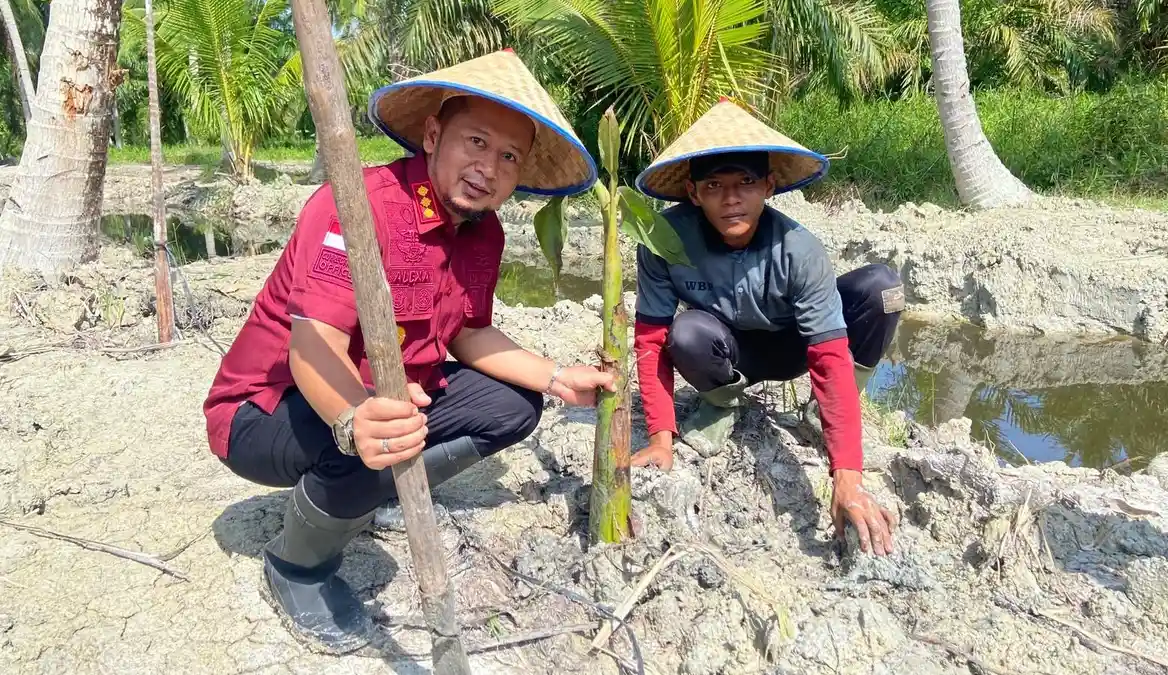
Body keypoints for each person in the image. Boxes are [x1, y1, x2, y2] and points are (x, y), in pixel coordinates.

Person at [202, 50, 612, 654]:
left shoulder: (484, 231)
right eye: (475, 142)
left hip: (388, 398)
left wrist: (555, 378)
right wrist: (356, 416)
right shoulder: (361, 205)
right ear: (432, 134)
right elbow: (313, 343)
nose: (488, 168)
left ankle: (372, 488)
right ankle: (297, 566)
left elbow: (469, 333)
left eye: (508, 157)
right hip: (263, 410)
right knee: (379, 437)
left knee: (514, 406)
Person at [629, 98, 903, 556]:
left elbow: (829, 353)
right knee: (685, 333)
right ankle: (720, 404)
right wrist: (660, 437)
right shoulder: (664, 240)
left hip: (794, 344)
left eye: (746, 183)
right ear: (693, 193)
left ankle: (826, 412)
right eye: (714, 185)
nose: (731, 198)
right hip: (728, 352)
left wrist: (847, 477)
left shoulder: (799, 249)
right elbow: (651, 338)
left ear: (769, 187)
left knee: (883, 288)